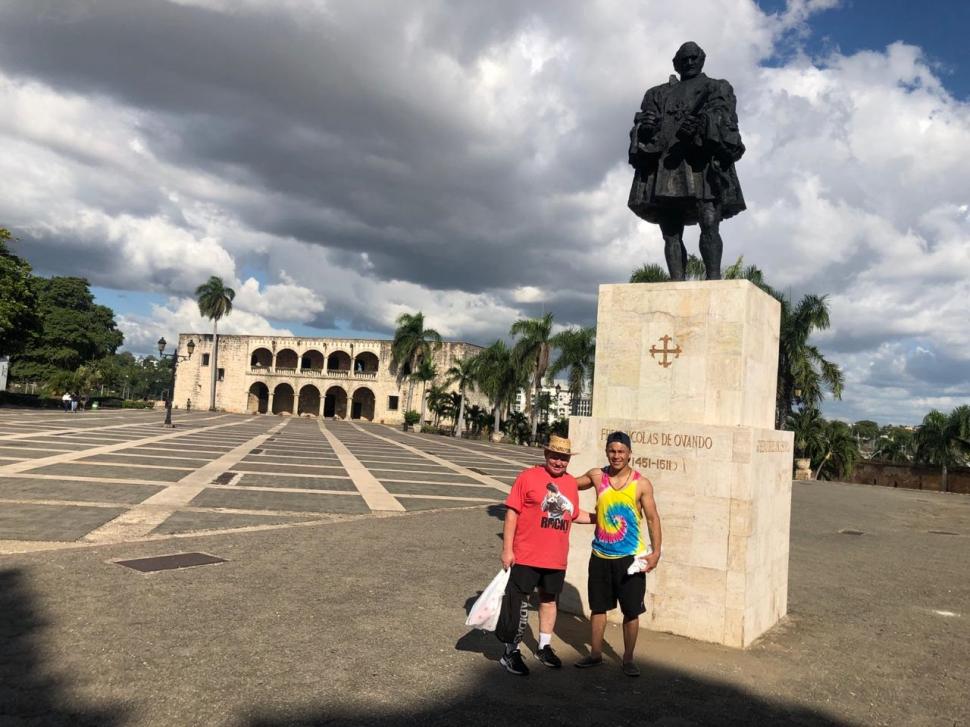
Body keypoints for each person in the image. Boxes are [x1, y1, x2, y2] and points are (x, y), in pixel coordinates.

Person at [627, 41, 746, 280]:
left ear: (702, 59)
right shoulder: (657, 93)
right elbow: (642, 126)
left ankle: (713, 279)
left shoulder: (716, 87)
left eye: (694, 58)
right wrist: (646, 127)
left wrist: (705, 124)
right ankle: (676, 281)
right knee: (670, 231)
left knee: (709, 222)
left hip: (701, 164)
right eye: (684, 59)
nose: (689, 62)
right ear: (675, 63)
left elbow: (726, 118)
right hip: (668, 166)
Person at [495, 434, 593, 676]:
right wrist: (507, 549)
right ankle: (511, 651)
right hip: (526, 554)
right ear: (546, 454)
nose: (559, 462)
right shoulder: (527, 477)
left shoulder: (570, 483)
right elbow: (512, 514)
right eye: (555, 456)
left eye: (564, 458)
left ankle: (543, 646)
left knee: (549, 601)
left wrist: (598, 518)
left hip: (555, 556)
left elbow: (572, 513)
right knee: (519, 603)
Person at [573, 431, 663, 676]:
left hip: (630, 559)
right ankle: (595, 654)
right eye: (612, 451)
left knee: (631, 611)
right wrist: (547, 472)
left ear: (630, 454)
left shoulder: (641, 484)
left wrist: (655, 554)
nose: (616, 456)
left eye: (621, 451)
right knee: (598, 608)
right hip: (600, 556)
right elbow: (569, 484)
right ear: (606, 452)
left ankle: (628, 659)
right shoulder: (596, 475)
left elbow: (654, 519)